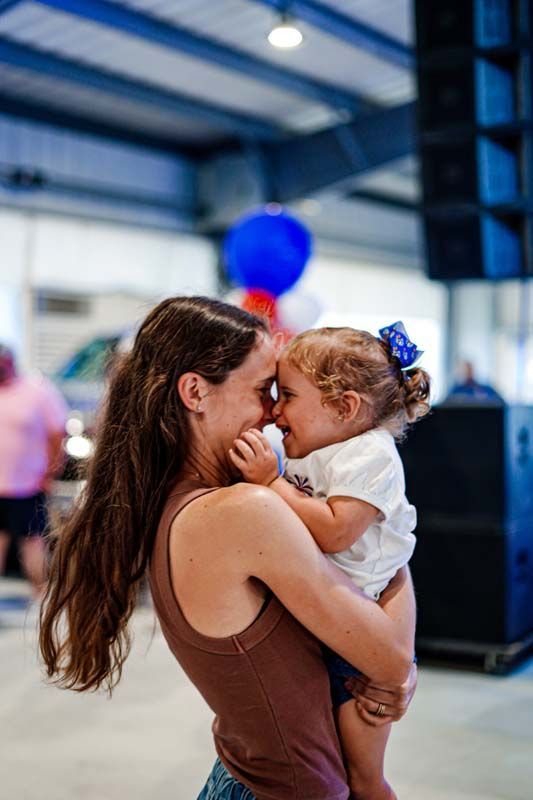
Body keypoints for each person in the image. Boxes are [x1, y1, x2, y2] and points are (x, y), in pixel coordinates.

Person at [39, 297, 418, 800]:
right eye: (265, 390)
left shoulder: (173, 501)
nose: (273, 413)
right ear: (195, 392)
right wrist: (392, 560)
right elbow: (389, 658)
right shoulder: (242, 513)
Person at [229, 322, 430, 800]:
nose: (276, 412)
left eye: (288, 396)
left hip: (360, 640)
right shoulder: (317, 446)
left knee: (362, 779)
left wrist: (270, 485)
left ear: (344, 406)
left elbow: (337, 531)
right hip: (328, 622)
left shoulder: (370, 455)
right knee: (331, 766)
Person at [0, 344, 67, 597]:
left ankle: (42, 596)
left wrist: (51, 471)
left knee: (32, 542)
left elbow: (56, 433)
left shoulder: (38, 391)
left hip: (26, 485)